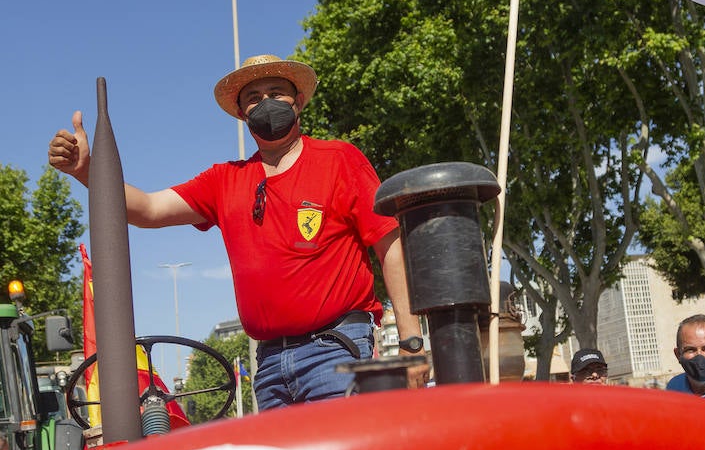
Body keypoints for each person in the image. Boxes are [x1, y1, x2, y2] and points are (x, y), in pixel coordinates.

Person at [49, 53, 428, 411]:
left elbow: (390, 244)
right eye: (254, 98)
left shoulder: (340, 160)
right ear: (242, 113)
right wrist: (87, 171)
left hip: (335, 350)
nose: (266, 103)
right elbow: (147, 209)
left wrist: (411, 341)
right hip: (270, 364)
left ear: (298, 101)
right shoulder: (224, 180)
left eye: (276, 93)